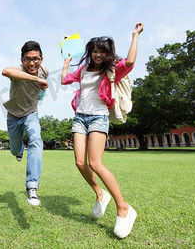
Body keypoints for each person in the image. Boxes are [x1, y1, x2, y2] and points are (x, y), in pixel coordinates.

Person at [61, 23, 144, 238]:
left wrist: (134, 36)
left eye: (102, 51)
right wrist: (66, 62)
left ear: (108, 53)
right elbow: (64, 80)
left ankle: (123, 207)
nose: (98, 55)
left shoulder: (111, 69)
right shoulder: (83, 69)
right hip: (80, 117)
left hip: (99, 117)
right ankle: (100, 194)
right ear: (90, 52)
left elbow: (131, 61)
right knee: (80, 162)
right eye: (95, 51)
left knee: (96, 163)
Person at [2, 41, 49, 206]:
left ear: (41, 59)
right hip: (13, 115)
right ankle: (19, 150)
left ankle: (32, 187)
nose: (32, 63)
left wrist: (41, 89)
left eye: (35, 59)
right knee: (14, 150)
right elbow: (5, 71)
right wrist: (34, 78)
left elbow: (40, 91)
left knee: (36, 139)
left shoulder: (45, 71)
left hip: (31, 113)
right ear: (22, 60)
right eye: (28, 59)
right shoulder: (16, 70)